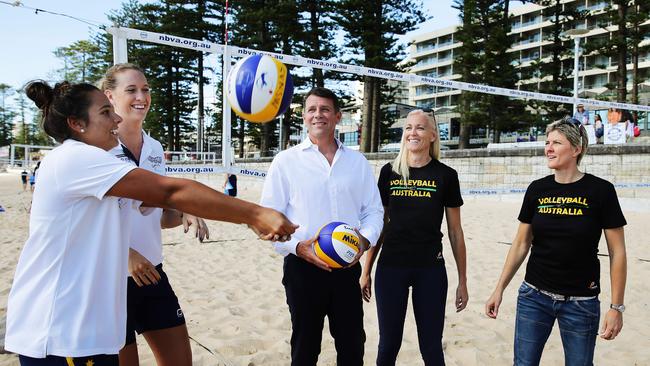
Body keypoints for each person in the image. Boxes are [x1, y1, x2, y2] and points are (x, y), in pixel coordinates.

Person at [5, 80, 297, 366]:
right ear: (77, 124)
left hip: (86, 330)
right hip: (61, 333)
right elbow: (170, 190)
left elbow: (156, 202)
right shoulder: (74, 158)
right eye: (106, 112)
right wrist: (255, 214)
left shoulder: (104, 161)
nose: (116, 118)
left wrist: (189, 209)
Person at [485, 116, 627, 366]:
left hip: (581, 302)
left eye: (556, 143)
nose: (548, 148)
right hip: (534, 297)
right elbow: (520, 244)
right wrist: (499, 289)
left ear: (576, 149)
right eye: (547, 142)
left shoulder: (601, 191)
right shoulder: (537, 189)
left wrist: (617, 307)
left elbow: (617, 252)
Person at [260, 87, 384, 366]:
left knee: (353, 348)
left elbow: (374, 211)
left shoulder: (357, 162)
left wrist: (363, 242)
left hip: (346, 268)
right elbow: (268, 219)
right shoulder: (286, 161)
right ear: (304, 117)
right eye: (312, 109)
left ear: (338, 117)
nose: (319, 115)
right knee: (305, 348)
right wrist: (296, 247)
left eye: (325, 109)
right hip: (303, 267)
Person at [100, 63, 208, 366]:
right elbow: (88, 224)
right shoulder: (98, 150)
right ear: (109, 96)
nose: (141, 96)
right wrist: (126, 254)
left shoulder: (155, 147)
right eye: (131, 90)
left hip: (152, 273)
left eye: (145, 89)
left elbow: (157, 217)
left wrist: (185, 212)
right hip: (111, 279)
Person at [360, 109, 468, 366]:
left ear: (432, 135)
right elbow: (380, 224)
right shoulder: (389, 172)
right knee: (388, 344)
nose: (413, 132)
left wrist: (462, 280)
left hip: (430, 269)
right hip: (391, 267)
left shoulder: (446, 175)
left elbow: (455, 231)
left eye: (420, 128)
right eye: (408, 127)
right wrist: (367, 270)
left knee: (431, 347)